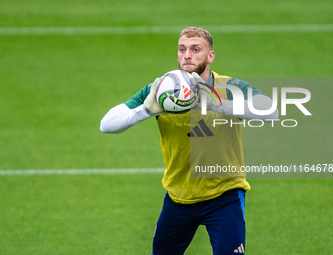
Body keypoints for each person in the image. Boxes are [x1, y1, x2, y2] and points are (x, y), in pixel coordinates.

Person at [100, 27, 278, 255]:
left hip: (224, 197)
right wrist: (145, 110)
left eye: (196, 49)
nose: (187, 55)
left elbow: (271, 113)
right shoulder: (160, 90)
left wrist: (215, 104)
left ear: (210, 56)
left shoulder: (229, 87)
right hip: (178, 197)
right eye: (182, 49)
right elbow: (106, 125)